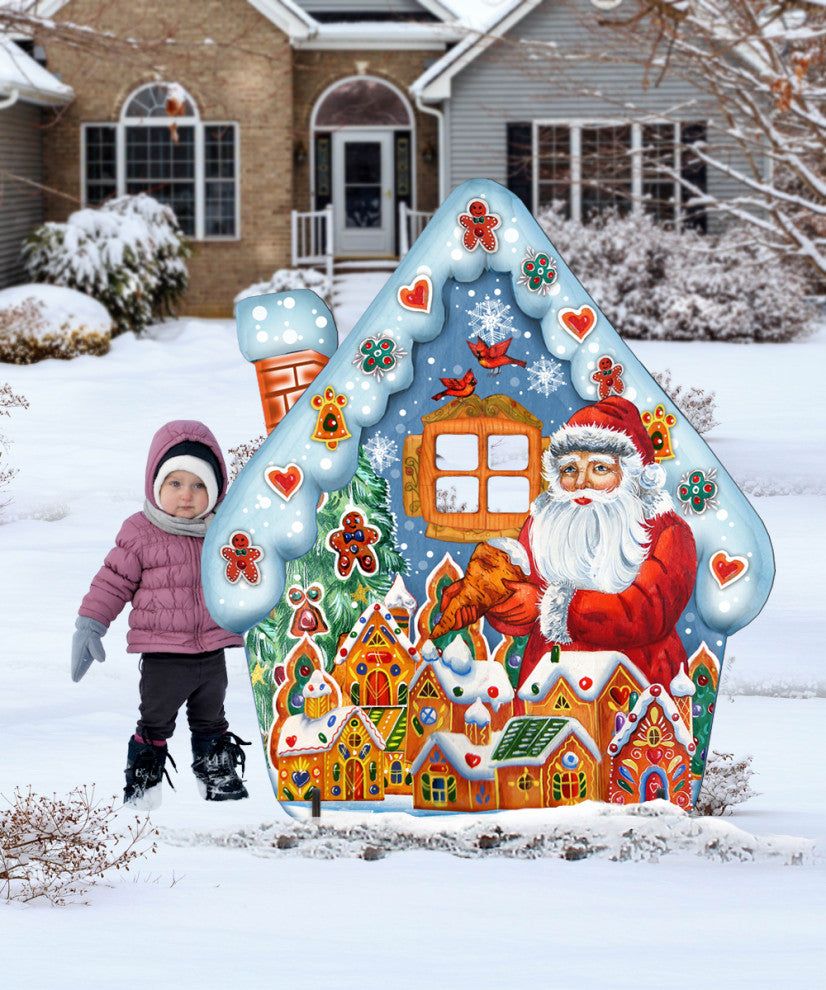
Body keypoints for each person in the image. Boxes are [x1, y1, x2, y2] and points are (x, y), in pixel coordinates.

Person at [441, 396, 697, 689]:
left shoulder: (669, 532)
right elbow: (525, 601)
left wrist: (548, 605)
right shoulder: (546, 522)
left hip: (634, 683)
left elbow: (645, 614)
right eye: (570, 469)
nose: (581, 483)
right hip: (548, 681)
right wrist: (496, 598)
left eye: (600, 469)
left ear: (632, 475)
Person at [71, 420, 249, 808]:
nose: (187, 496)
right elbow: (112, 581)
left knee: (212, 717)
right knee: (155, 718)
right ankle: (144, 778)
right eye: (175, 483)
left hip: (212, 650)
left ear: (216, 489)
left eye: (199, 485)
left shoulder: (225, 532)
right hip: (163, 653)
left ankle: (215, 769)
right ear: (155, 484)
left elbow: (252, 575)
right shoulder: (140, 533)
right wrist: (90, 625)